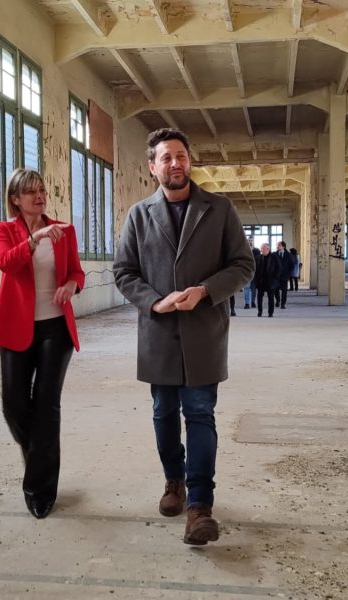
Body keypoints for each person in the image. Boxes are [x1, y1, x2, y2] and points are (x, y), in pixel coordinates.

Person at [113, 128, 254, 546]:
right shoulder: (139, 215)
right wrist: (155, 302)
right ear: (152, 167)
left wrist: (206, 291)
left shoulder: (219, 209)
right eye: (166, 158)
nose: (176, 163)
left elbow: (243, 265)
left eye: (181, 156)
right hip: (159, 333)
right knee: (163, 414)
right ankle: (173, 480)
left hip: (203, 332)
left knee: (200, 414)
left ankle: (199, 506)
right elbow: (124, 272)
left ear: (189, 161)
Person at [0, 169, 85, 519]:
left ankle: (39, 490)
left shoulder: (64, 230)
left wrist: (72, 285)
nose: (39, 196)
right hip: (16, 328)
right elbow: (6, 263)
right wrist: (34, 238)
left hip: (56, 328)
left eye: (42, 189)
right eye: (31, 191)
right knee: (14, 406)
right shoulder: (5, 230)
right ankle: (39, 457)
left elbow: (76, 272)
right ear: (15, 199)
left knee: (46, 406)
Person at [254, 243, 280, 317]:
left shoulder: (274, 257)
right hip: (261, 281)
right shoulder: (258, 258)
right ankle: (260, 312)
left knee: (271, 297)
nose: (261, 250)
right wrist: (255, 279)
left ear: (268, 249)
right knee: (259, 298)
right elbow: (255, 269)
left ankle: (270, 312)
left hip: (270, 281)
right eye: (261, 248)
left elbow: (278, 268)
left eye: (263, 249)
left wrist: (275, 278)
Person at [274, 241, 294, 309]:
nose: (278, 246)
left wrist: (289, 274)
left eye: (279, 245)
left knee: (284, 290)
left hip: (285, 275)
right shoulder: (275, 254)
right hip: (276, 276)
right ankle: (278, 300)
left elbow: (292, 265)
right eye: (277, 245)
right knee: (276, 289)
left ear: (283, 246)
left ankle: (283, 303)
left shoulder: (288, 255)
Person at [243, 239, 260, 308]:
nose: (250, 242)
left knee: (254, 288)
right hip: (247, 272)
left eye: (251, 240)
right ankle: (247, 303)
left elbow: (259, 261)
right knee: (246, 288)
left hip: (255, 272)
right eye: (249, 240)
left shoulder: (257, 251)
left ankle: (253, 302)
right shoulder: (244, 250)